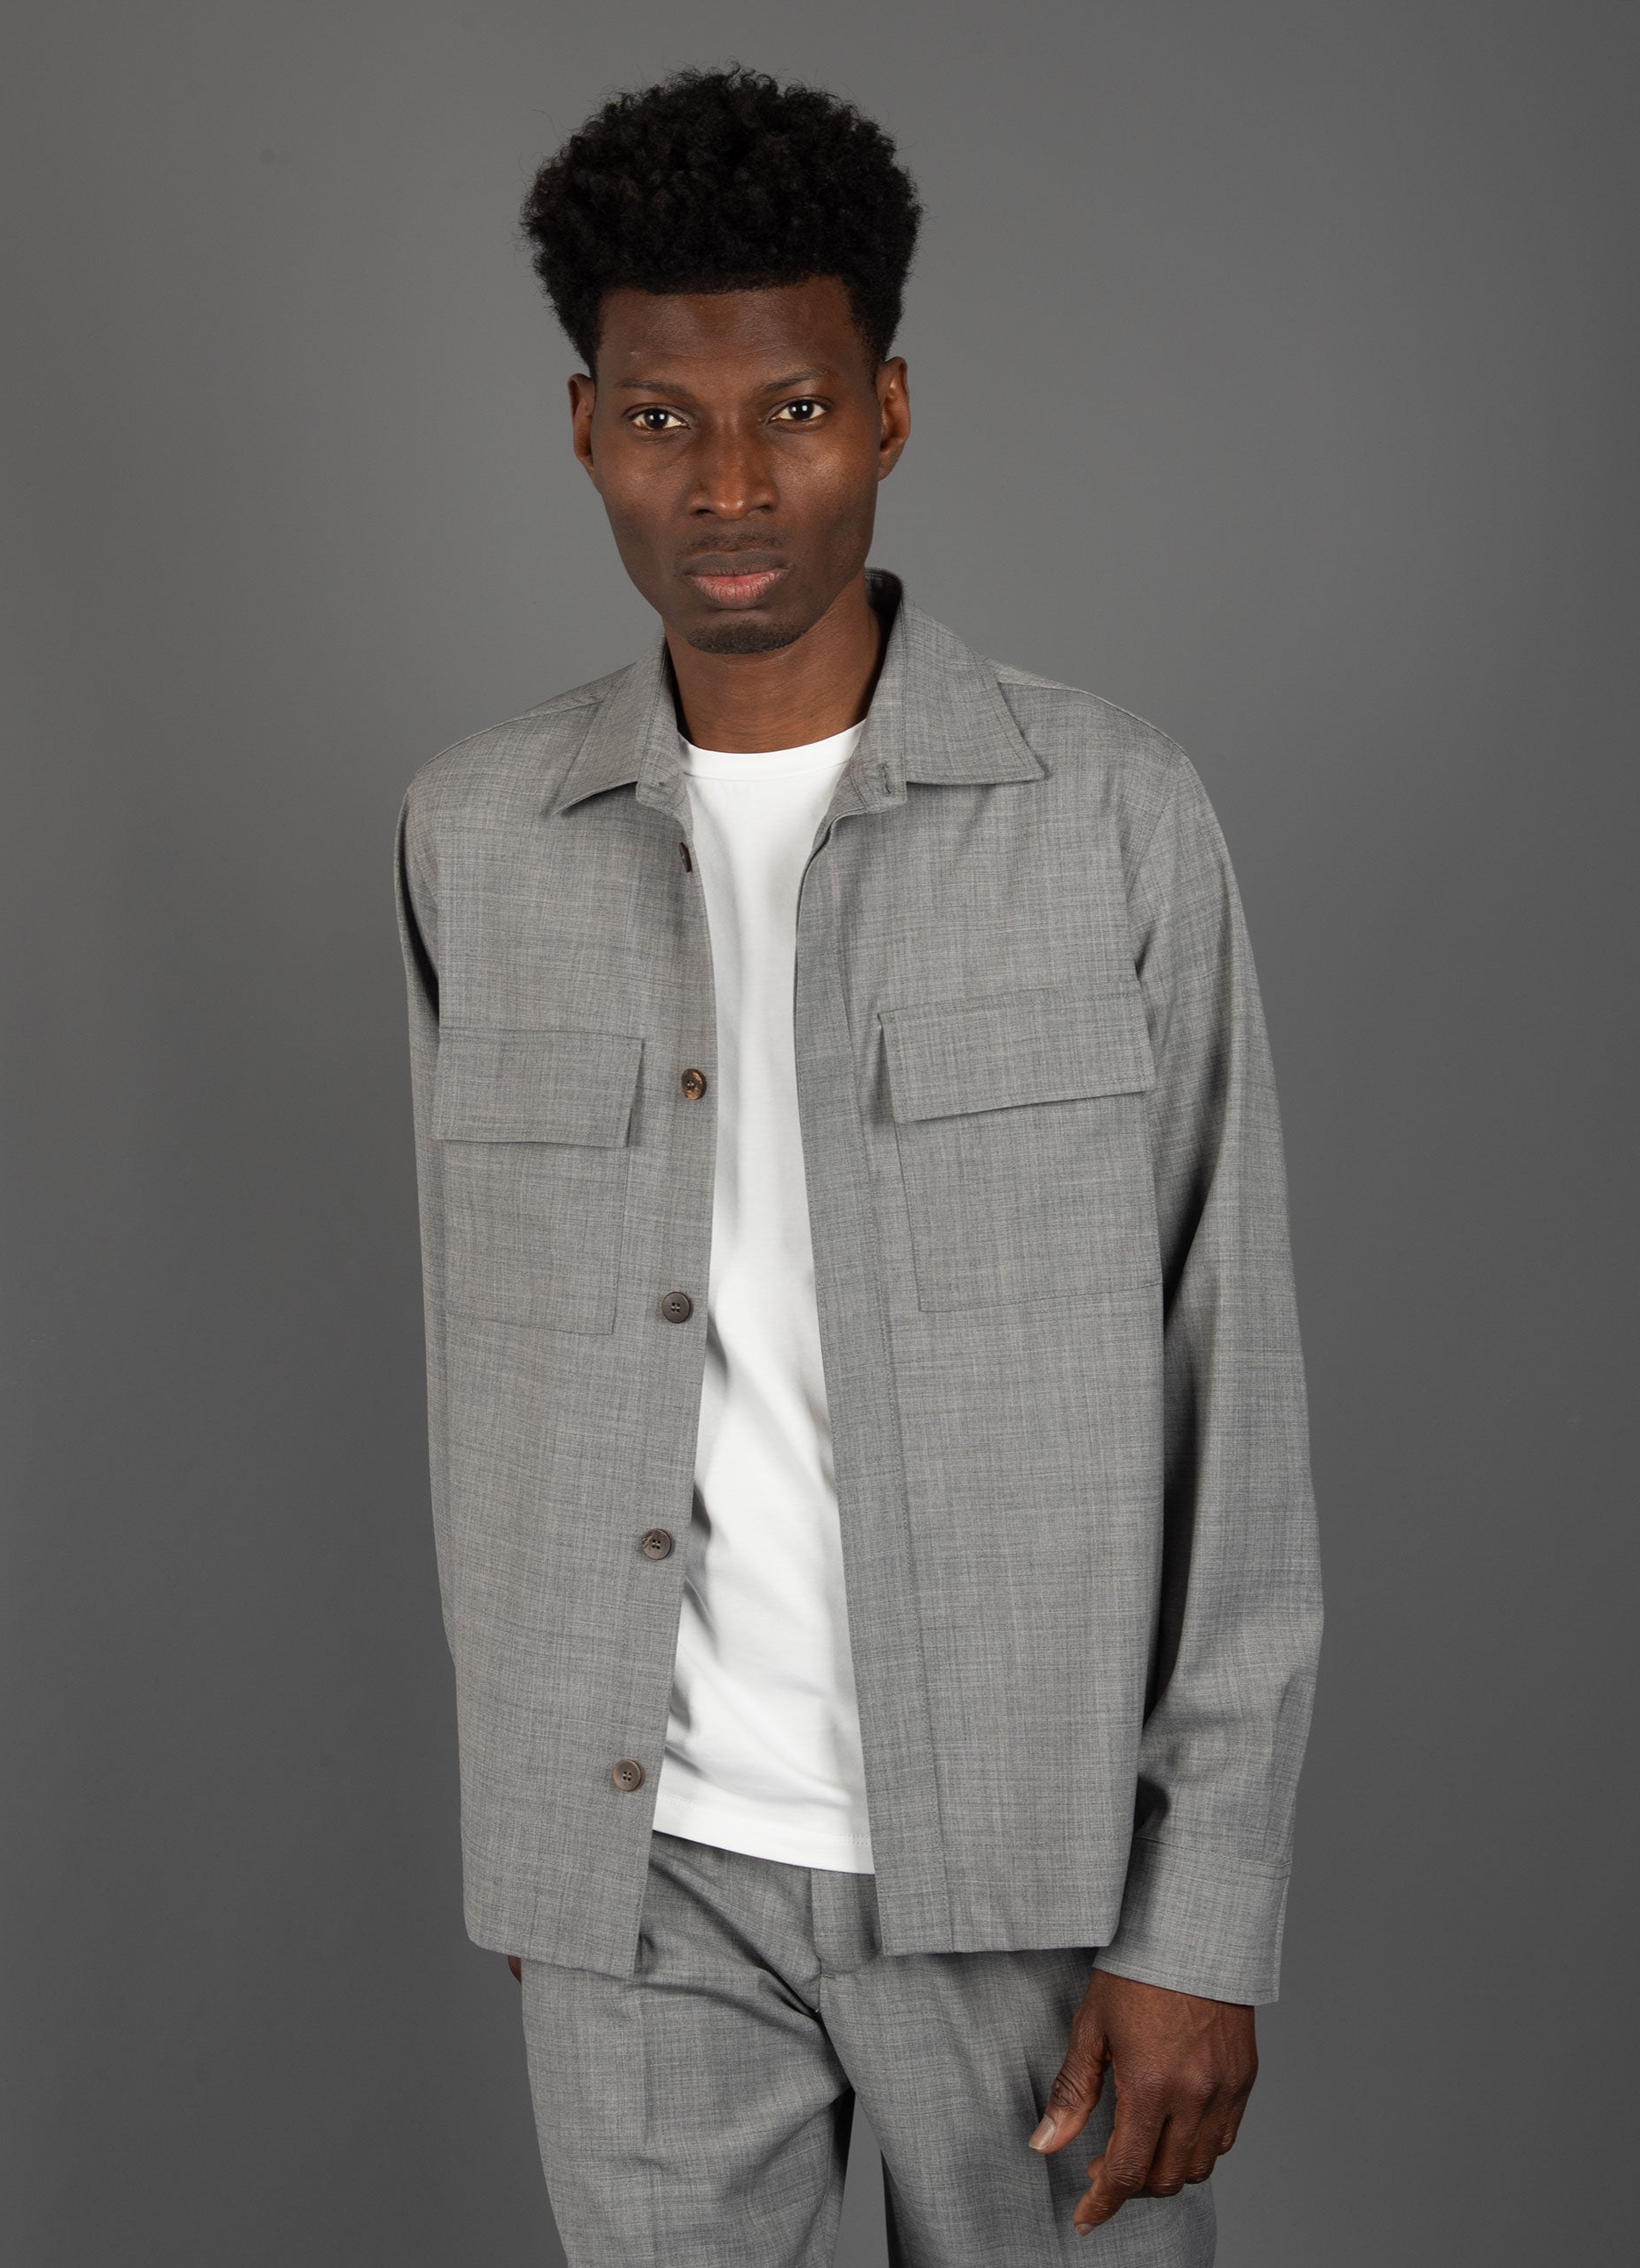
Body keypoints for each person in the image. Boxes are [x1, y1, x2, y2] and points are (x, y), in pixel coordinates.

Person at [392, 64, 1321, 2267]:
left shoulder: (1107, 813)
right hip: (639, 1879)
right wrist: (537, 1822)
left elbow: (1235, 1389)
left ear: (886, 414)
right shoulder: (474, 835)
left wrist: (1202, 1911)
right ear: (583, 426)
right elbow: (476, 1360)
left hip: (1025, 1881)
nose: (728, 484)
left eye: (792, 412)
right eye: (660, 417)